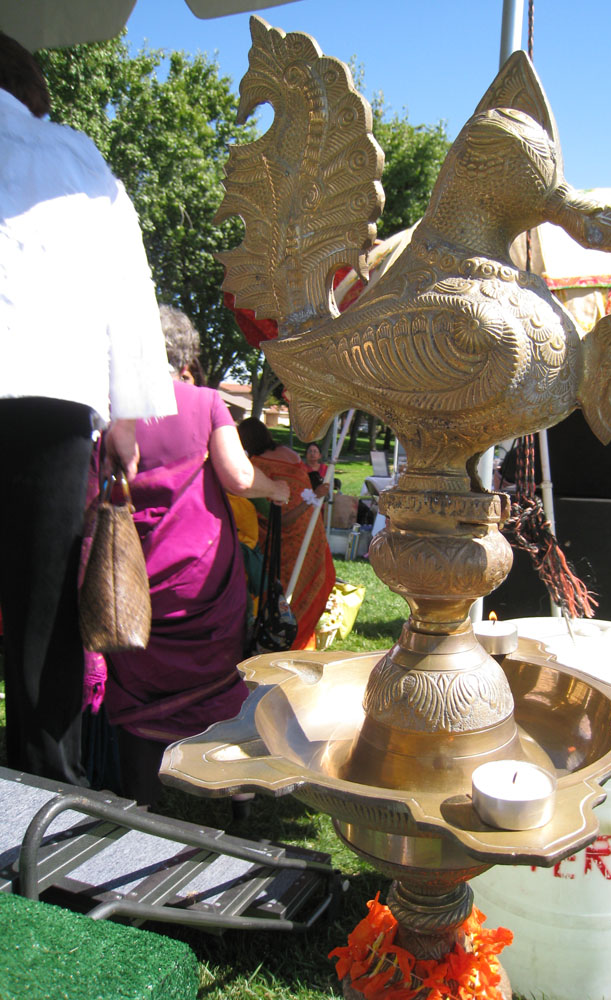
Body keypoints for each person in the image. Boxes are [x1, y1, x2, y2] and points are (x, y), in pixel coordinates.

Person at [0, 34, 177, 786]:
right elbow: (127, 294)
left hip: (48, 389)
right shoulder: (76, 156)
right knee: (42, 612)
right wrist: (125, 418)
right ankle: (44, 790)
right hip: (50, 399)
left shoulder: (77, 158)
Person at [102, 307, 289, 805]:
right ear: (184, 357)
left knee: (137, 675)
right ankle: (223, 784)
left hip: (130, 573)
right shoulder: (206, 402)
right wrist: (275, 488)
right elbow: (239, 477)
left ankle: (140, 790)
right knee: (213, 675)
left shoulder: (111, 409)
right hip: (202, 577)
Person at [239, 418, 336, 650]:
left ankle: (286, 642)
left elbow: (277, 517)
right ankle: (300, 642)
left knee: (279, 595)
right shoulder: (290, 455)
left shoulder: (255, 466)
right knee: (302, 592)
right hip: (310, 532)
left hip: (287, 539)